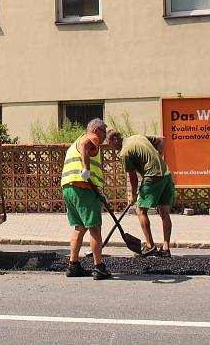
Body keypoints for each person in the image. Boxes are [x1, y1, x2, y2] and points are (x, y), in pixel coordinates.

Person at [106, 130, 175, 258]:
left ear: (115, 138)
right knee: (164, 212)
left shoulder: (125, 152)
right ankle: (166, 248)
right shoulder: (138, 137)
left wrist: (133, 195)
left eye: (110, 143)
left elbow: (132, 178)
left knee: (140, 210)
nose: (112, 147)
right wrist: (158, 156)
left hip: (152, 177)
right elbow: (162, 139)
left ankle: (150, 246)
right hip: (166, 175)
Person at [61, 118, 112, 280]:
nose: (105, 136)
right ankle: (99, 268)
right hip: (83, 189)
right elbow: (85, 145)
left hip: (69, 188)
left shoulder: (74, 143)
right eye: (104, 131)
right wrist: (87, 169)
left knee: (79, 227)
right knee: (95, 229)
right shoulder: (90, 137)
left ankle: (73, 265)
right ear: (96, 130)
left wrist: (99, 190)